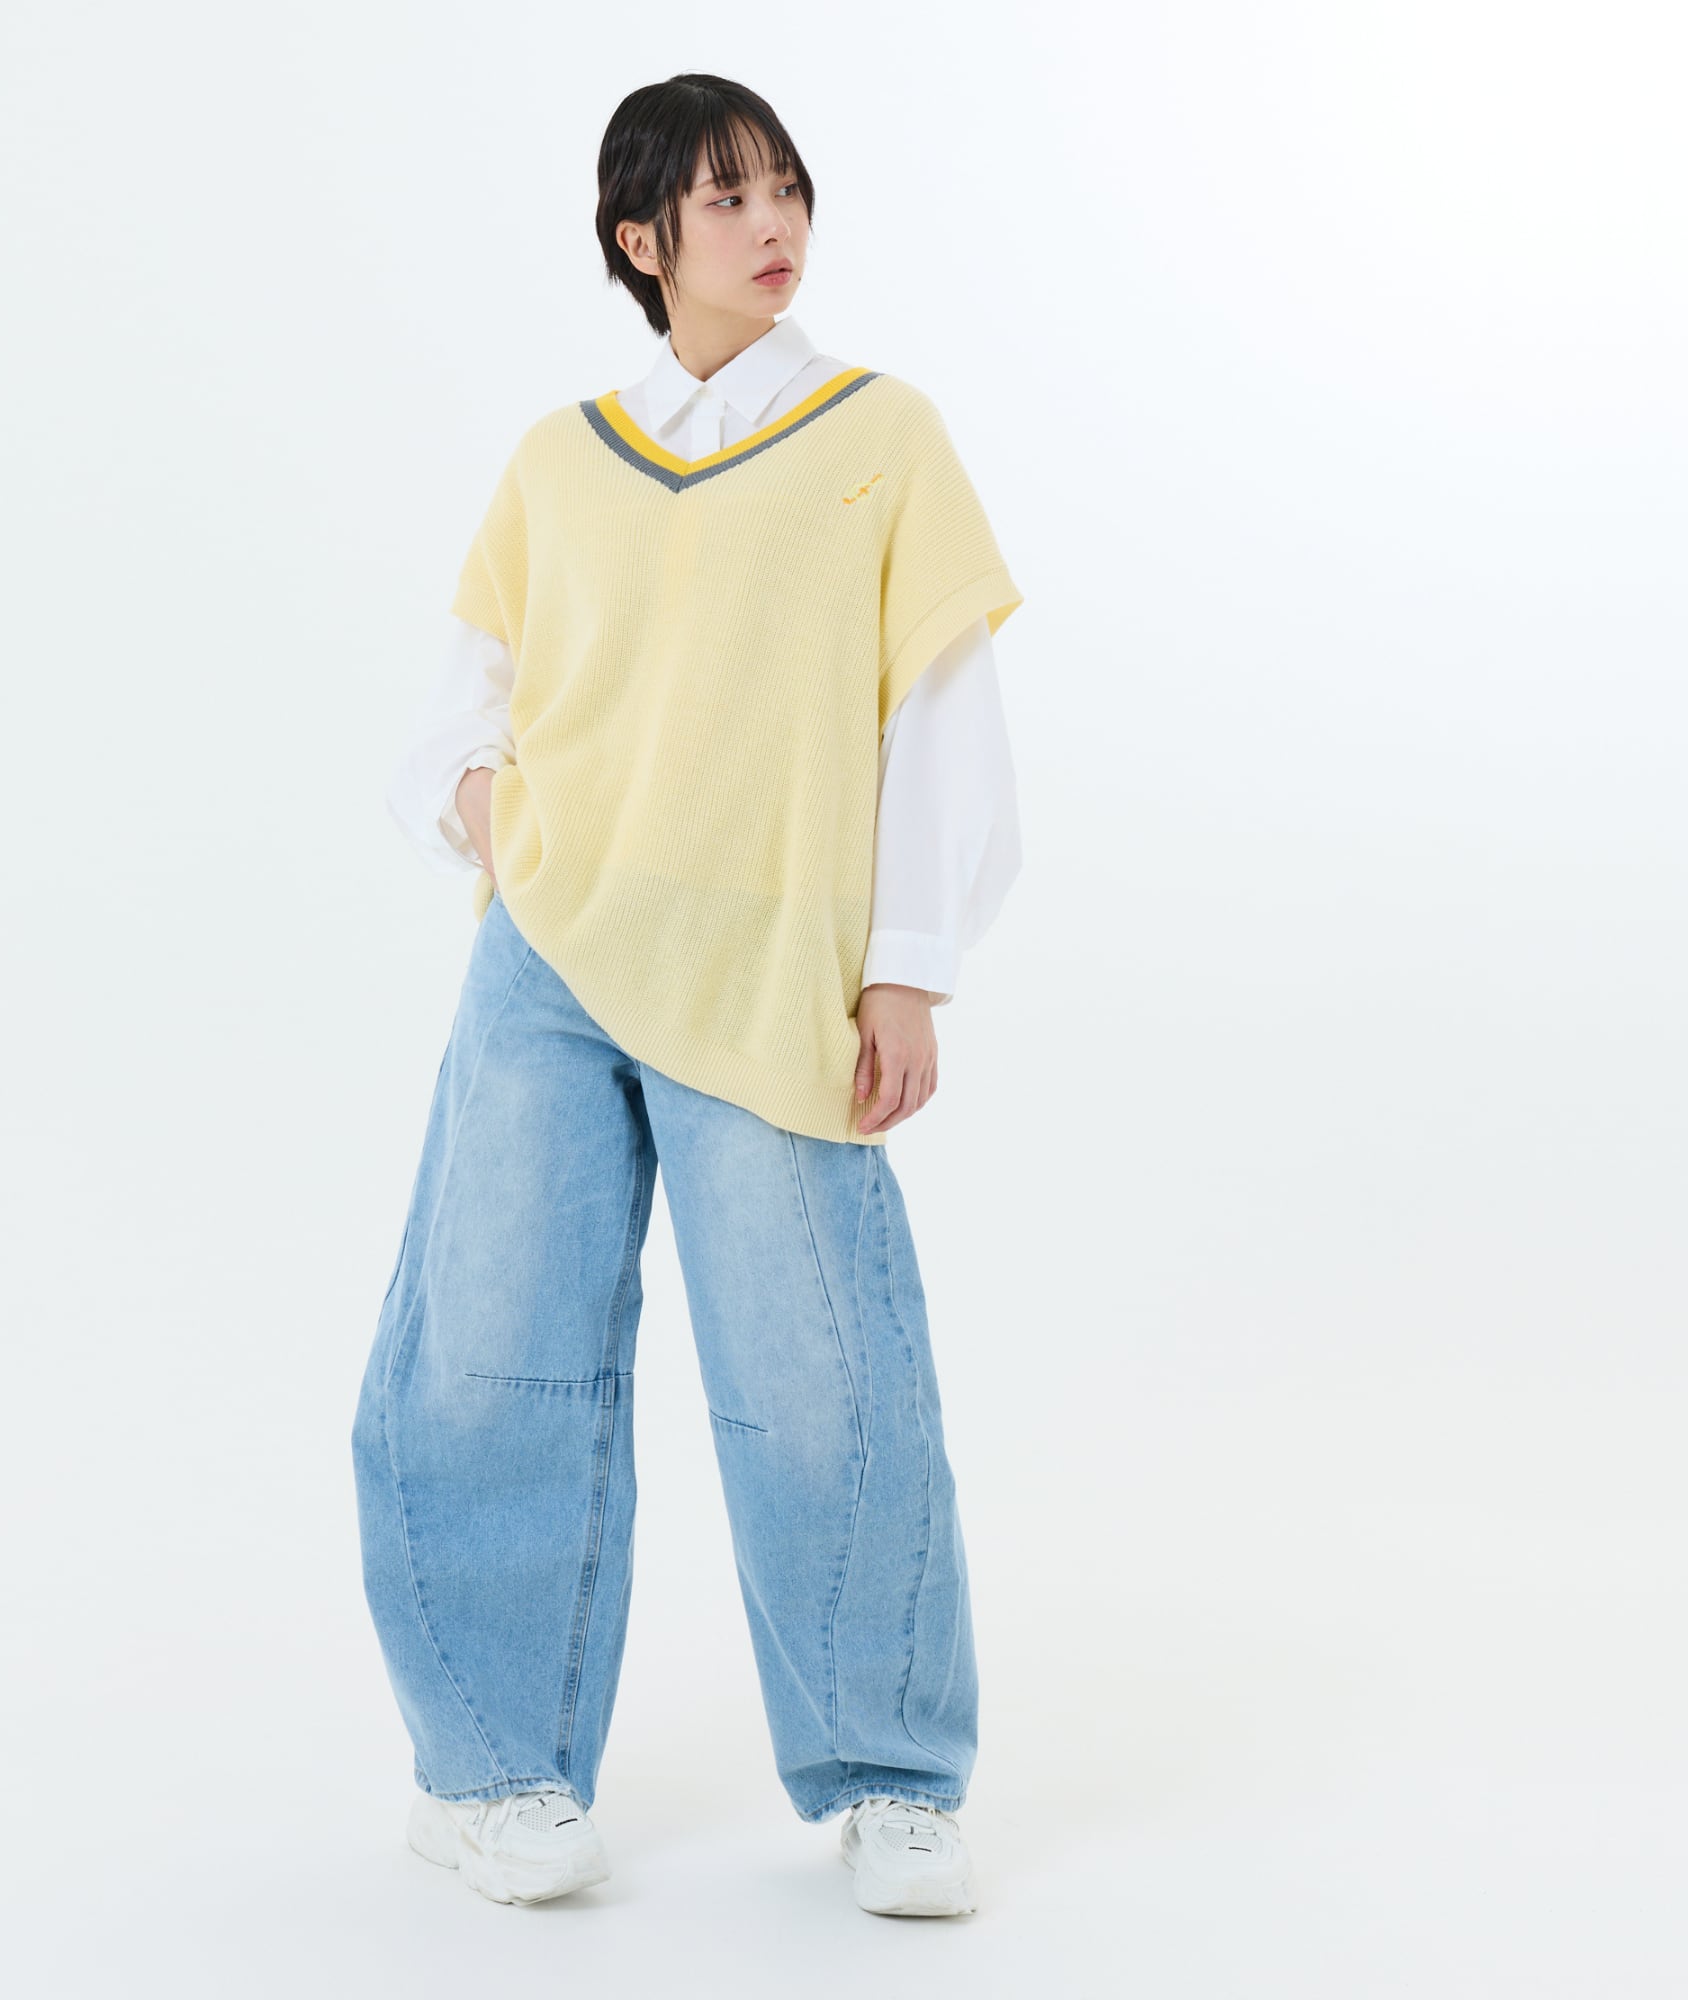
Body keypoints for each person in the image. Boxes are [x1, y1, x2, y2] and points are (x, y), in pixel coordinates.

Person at [352, 73, 1025, 1919]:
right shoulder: (560, 462)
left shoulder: (881, 436)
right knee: (489, 1349)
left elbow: (943, 716)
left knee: (821, 1373)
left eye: (785, 186)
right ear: (640, 240)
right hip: (549, 962)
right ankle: (488, 1769)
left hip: (769, 967)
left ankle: (893, 1776)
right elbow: (460, 715)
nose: (769, 221)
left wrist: (909, 966)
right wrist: (506, 821)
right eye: (724, 198)